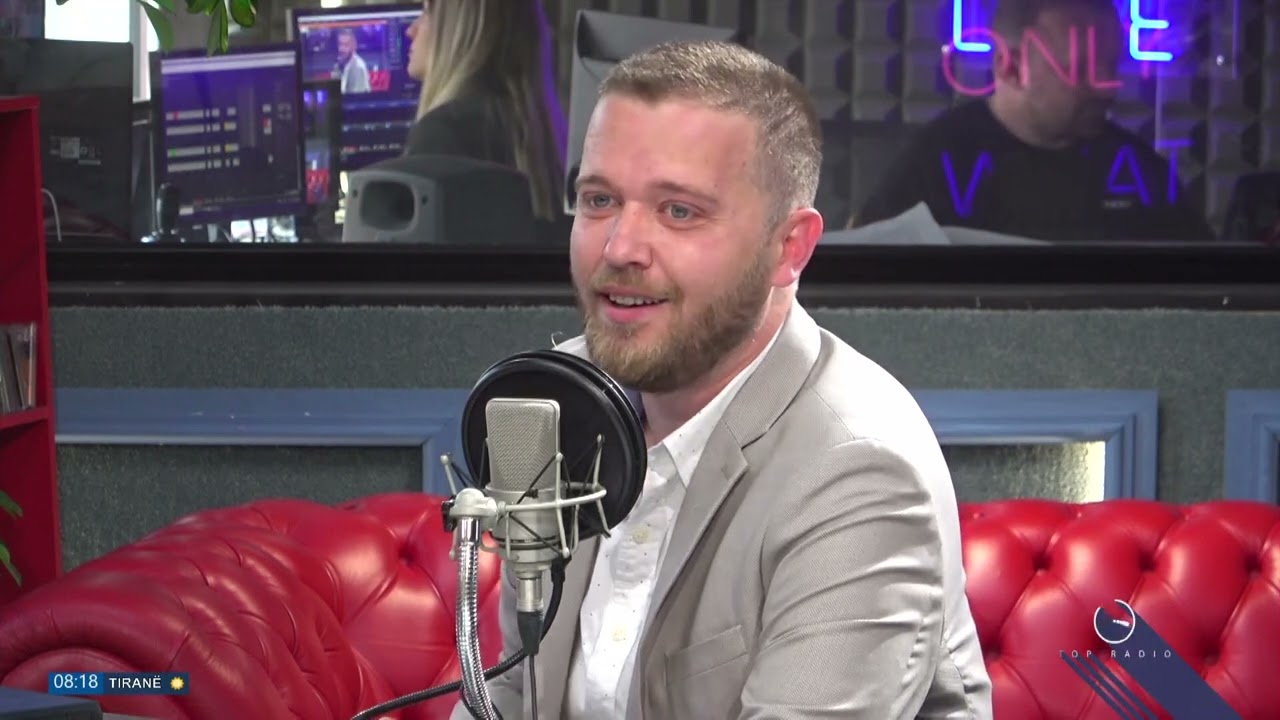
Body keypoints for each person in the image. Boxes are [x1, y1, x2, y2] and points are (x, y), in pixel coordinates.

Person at [452, 40, 993, 720]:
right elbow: (509, 692)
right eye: (599, 200)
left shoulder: (860, 471)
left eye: (679, 210)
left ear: (788, 249)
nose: (620, 247)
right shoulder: (564, 404)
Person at [852, 0, 1214, 243]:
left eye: (1111, 65)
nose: (1107, 85)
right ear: (1009, 66)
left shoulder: (1139, 171)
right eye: (1081, 67)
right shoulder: (934, 162)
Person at [402, 0, 567, 226]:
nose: (411, 30)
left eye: (426, 13)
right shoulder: (537, 130)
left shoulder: (442, 133)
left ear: (457, 30)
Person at [334, 28, 370, 94]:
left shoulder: (358, 67)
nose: (341, 49)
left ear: (354, 46)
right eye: (340, 44)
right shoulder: (339, 64)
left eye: (346, 45)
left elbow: (356, 98)